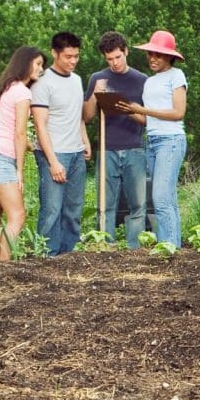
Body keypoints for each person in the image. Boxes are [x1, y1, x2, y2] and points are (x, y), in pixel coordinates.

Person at [117, 30, 187, 247]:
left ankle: (168, 247)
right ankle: (173, 246)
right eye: (150, 54)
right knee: (168, 199)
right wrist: (129, 110)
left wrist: (144, 109)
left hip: (171, 141)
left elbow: (178, 112)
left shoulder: (177, 76)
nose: (153, 59)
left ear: (170, 57)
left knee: (160, 198)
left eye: (158, 55)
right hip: (154, 142)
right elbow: (149, 120)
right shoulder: (150, 82)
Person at [0, 46, 45, 261]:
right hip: (1, 158)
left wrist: (23, 144)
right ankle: (4, 264)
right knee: (17, 215)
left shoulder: (5, 89)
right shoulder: (23, 93)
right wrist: (19, 170)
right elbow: (19, 133)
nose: (41, 69)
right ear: (25, 64)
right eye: (38, 64)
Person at [82, 31, 148, 249]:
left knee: (137, 204)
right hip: (107, 149)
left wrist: (127, 109)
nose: (115, 63)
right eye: (109, 59)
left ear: (126, 51)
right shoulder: (98, 78)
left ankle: (134, 248)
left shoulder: (141, 81)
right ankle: (105, 246)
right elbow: (87, 116)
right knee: (105, 204)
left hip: (134, 149)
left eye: (118, 57)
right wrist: (95, 95)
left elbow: (148, 120)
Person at [31, 31, 92, 256]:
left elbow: (76, 115)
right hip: (53, 153)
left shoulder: (76, 80)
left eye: (76, 56)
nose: (73, 61)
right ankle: (47, 255)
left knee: (74, 209)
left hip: (76, 152)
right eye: (68, 56)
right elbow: (40, 125)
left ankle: (68, 254)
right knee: (52, 209)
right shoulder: (42, 82)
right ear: (54, 53)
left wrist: (84, 140)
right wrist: (53, 162)